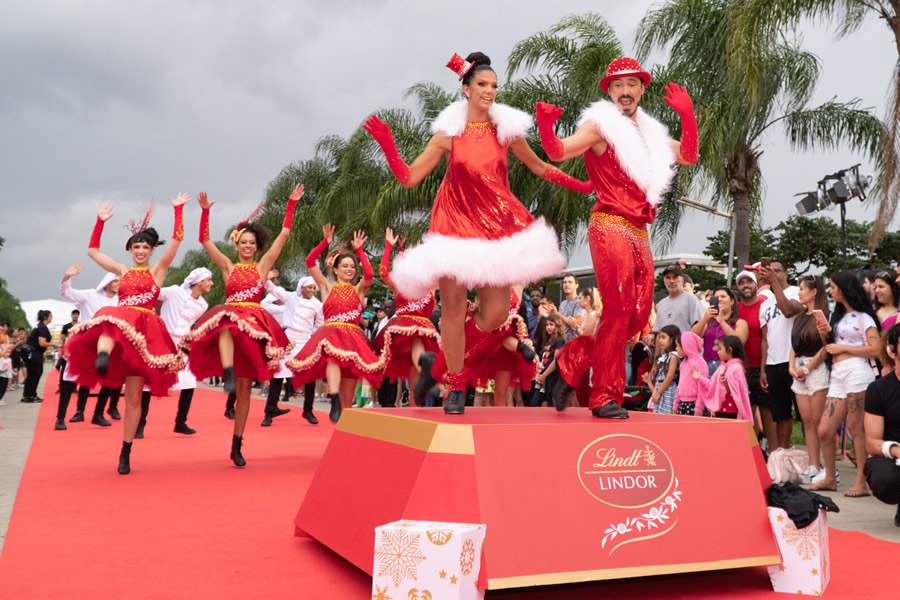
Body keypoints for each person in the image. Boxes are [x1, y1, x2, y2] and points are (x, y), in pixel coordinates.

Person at [364, 51, 592, 415]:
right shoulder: (447, 137)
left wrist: (581, 185)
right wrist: (388, 145)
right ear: (466, 89)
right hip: (455, 227)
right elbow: (409, 178)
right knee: (453, 310)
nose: (489, 91)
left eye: (494, 86)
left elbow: (540, 166)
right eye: (482, 85)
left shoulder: (505, 133)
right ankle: (455, 383)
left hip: (495, 230)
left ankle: (438, 366)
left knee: (497, 313)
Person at [535, 57, 699, 418]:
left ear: (641, 89)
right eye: (618, 85)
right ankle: (603, 396)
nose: (625, 91)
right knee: (619, 308)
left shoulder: (649, 133)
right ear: (609, 91)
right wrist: (546, 126)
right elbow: (558, 151)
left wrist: (688, 117)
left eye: (632, 85)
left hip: (639, 232)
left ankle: (572, 361)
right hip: (609, 224)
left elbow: (688, 155)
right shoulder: (600, 127)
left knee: (638, 317)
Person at [64, 196, 188, 474]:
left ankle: (126, 449)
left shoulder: (158, 271)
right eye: (136, 246)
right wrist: (100, 222)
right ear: (130, 250)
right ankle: (104, 356)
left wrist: (178, 210)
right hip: (122, 323)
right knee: (110, 318)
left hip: (145, 335)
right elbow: (93, 252)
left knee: (133, 398)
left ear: (151, 250)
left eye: (145, 246)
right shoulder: (122, 270)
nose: (140, 250)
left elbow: (178, 240)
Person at [187, 188, 298, 467]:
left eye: (251, 243)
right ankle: (226, 370)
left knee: (246, 391)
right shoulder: (227, 267)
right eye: (243, 242)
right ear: (237, 245)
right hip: (231, 318)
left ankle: (237, 443)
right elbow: (205, 240)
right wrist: (205, 212)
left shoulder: (262, 268)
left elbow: (283, 237)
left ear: (256, 246)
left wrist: (291, 205)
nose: (247, 246)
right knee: (226, 324)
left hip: (255, 326)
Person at [288, 224, 384, 422]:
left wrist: (360, 252)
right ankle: (333, 396)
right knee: (332, 357)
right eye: (345, 266)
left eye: (352, 266)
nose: (349, 269)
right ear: (336, 269)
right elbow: (310, 261)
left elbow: (369, 275)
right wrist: (325, 242)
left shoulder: (358, 290)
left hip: (353, 342)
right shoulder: (326, 287)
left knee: (347, 402)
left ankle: (343, 431)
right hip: (332, 335)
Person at [811, 271, 882, 497]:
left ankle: (861, 480)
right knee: (825, 430)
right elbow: (832, 345)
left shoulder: (865, 318)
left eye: (833, 287)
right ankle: (830, 476)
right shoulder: (839, 317)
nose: (831, 291)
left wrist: (843, 349)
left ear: (844, 288)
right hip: (839, 374)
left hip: (858, 373)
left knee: (855, 428)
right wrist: (826, 335)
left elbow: (875, 349)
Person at [136, 267, 214, 437]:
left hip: (182, 346)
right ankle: (139, 424)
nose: (211, 283)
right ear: (199, 282)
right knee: (149, 383)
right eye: (208, 280)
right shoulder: (174, 291)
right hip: (162, 341)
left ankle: (180, 422)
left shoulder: (203, 305)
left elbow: (191, 324)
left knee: (189, 383)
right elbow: (153, 293)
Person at [376, 229, 441, 403]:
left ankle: (417, 406)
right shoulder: (400, 285)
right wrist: (390, 247)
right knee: (416, 342)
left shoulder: (431, 285)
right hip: (404, 332)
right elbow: (383, 272)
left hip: (426, 331)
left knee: (415, 384)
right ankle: (428, 373)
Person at [55, 265, 121, 429]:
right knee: (70, 380)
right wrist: (67, 278)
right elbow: (66, 292)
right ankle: (61, 418)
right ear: (108, 282)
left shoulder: (120, 301)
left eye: (120, 280)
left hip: (105, 345)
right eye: (116, 280)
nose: (119, 283)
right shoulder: (91, 295)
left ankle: (98, 415)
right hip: (83, 343)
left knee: (108, 379)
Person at [262, 275, 324, 426]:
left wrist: (311, 337)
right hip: (288, 339)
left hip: (306, 341)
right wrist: (265, 275)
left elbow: (320, 324)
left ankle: (308, 411)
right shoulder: (290, 297)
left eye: (314, 288)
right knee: (278, 375)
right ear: (301, 287)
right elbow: (271, 288)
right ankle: (269, 412)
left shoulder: (318, 305)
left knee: (309, 377)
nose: (312, 290)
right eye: (309, 287)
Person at [788, 275, 831, 483]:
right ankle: (813, 465)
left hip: (817, 368)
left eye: (803, 288)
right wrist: (792, 367)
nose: (799, 292)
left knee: (818, 420)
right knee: (807, 422)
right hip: (799, 368)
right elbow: (793, 345)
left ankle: (828, 468)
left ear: (814, 291)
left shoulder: (823, 315)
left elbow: (827, 345)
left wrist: (809, 368)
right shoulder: (799, 317)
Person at [759, 260, 804, 450]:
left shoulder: (796, 292)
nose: (773, 275)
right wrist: (763, 369)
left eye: (777, 271)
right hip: (773, 363)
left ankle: (816, 464)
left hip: (795, 361)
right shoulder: (765, 304)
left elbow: (788, 311)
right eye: (770, 272)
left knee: (806, 416)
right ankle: (783, 457)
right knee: (781, 415)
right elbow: (765, 339)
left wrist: (774, 284)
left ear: (785, 273)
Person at [863, 323, 900, 527]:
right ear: (891, 350)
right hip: (893, 458)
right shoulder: (878, 390)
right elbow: (872, 443)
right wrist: (895, 450)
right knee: (884, 478)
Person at [736, 269, 768, 443]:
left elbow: (767, 338)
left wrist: (764, 369)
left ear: (756, 284)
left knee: (767, 411)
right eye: (741, 283)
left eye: (748, 281)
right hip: (743, 368)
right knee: (747, 412)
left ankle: (772, 449)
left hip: (764, 366)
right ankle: (753, 449)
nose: (745, 285)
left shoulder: (766, 303)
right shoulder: (737, 309)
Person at [692, 286, 749, 375]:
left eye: (723, 296)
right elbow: (691, 337)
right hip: (708, 365)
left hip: (729, 367)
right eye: (716, 297)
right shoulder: (709, 322)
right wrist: (704, 319)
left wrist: (721, 321)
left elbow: (739, 342)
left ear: (732, 301)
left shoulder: (740, 322)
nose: (719, 299)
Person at [694, 336, 753, 421]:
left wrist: (726, 383)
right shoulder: (722, 367)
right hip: (720, 409)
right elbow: (712, 386)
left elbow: (736, 392)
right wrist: (700, 378)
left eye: (720, 349)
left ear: (729, 350)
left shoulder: (737, 368)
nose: (718, 352)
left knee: (729, 433)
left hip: (731, 411)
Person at [654, 266, 704, 334]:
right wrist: (651, 336)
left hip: (684, 344)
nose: (671, 281)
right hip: (663, 344)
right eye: (668, 278)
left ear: (682, 280)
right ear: (664, 281)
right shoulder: (662, 303)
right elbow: (656, 330)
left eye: (675, 277)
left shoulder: (691, 299)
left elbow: (701, 327)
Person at [645, 325, 680, 414]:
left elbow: (669, 376)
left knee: (666, 415)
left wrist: (658, 393)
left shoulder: (673, 356)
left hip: (667, 391)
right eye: (659, 337)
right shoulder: (664, 356)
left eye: (663, 337)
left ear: (672, 339)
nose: (660, 340)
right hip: (660, 388)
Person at [532, 316, 566, 407]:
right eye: (547, 325)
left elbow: (556, 361)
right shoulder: (547, 341)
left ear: (557, 326)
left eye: (551, 324)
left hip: (552, 377)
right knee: (536, 403)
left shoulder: (559, 341)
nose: (548, 327)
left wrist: (544, 375)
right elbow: (545, 359)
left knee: (550, 404)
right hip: (544, 377)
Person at [21, 310, 53, 402]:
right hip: (33, 353)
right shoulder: (42, 327)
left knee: (33, 374)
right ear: (45, 317)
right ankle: (30, 396)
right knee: (35, 373)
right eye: (50, 316)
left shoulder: (40, 326)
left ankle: (28, 395)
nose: (52, 318)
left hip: (32, 353)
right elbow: (42, 343)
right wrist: (55, 344)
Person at [676, 331, 707, 416]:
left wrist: (699, 407)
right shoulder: (683, 363)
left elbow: (702, 386)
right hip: (682, 403)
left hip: (694, 404)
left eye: (678, 346)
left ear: (686, 346)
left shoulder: (700, 363)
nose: (676, 348)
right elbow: (680, 385)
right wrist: (676, 404)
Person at [554, 274, 586, 341]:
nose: (567, 284)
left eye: (570, 282)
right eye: (565, 282)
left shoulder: (580, 302)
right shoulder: (562, 304)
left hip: (576, 343)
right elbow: (559, 325)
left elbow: (575, 324)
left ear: (576, 285)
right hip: (563, 344)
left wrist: (557, 314)